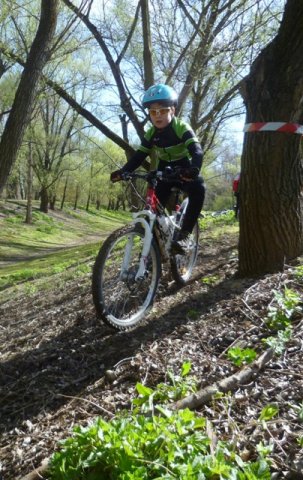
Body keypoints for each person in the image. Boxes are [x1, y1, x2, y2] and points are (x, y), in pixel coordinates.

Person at [110, 83, 205, 254]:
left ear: (172, 111)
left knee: (199, 189)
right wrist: (124, 171)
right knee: (152, 209)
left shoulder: (181, 128)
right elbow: (139, 156)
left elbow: (196, 151)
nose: (157, 115)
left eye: (162, 110)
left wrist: (193, 169)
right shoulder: (151, 133)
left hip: (183, 168)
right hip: (163, 170)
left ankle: (184, 236)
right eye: (153, 112)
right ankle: (154, 248)